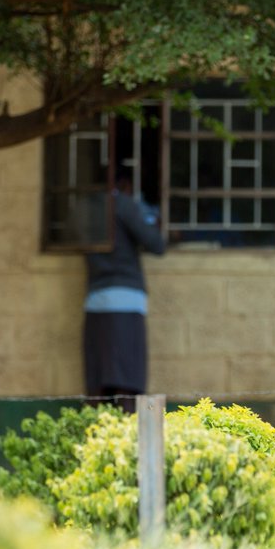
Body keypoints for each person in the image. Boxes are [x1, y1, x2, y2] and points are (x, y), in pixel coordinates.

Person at [83, 172, 166, 413]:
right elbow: (156, 244)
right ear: (123, 184)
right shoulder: (123, 204)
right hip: (126, 300)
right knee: (128, 383)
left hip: (95, 299)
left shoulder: (83, 208)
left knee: (97, 384)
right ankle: (129, 433)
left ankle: (92, 433)